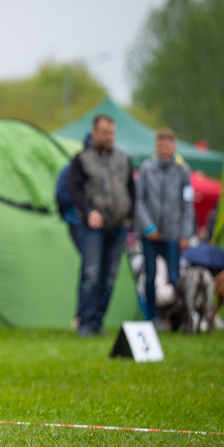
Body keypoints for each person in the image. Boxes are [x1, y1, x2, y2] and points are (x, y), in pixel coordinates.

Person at [69, 114, 135, 337]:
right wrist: (88, 211)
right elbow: (74, 190)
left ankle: (98, 321)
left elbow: (130, 189)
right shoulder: (82, 159)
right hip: (93, 227)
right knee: (91, 275)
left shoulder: (123, 159)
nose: (109, 137)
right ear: (94, 133)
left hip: (118, 227)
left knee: (109, 279)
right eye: (105, 133)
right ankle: (85, 322)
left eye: (112, 133)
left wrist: (130, 216)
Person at [135, 128, 194, 330]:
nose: (164, 149)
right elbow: (139, 199)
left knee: (174, 276)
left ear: (174, 146)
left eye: (168, 145)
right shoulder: (146, 168)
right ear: (156, 146)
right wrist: (148, 226)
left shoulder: (183, 169)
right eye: (160, 145)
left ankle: (179, 316)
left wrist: (186, 233)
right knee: (150, 273)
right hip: (149, 233)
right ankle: (152, 316)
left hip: (172, 233)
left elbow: (188, 204)